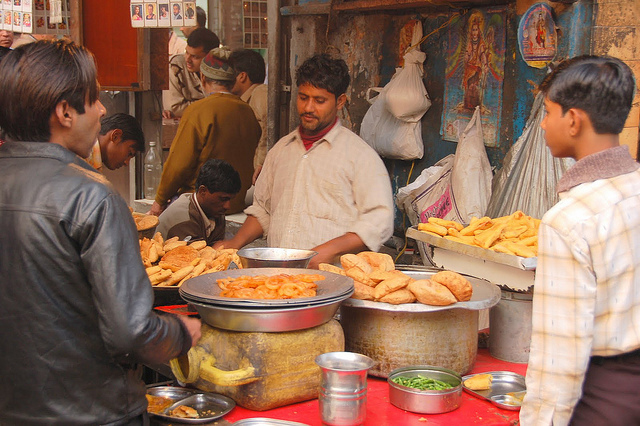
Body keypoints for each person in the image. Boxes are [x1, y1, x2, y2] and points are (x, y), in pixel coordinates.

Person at [0, 39, 201, 425]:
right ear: (64, 112)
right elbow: (131, 332)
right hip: (90, 411)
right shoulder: (91, 197)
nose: (103, 109)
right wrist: (179, 332)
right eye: (94, 99)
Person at [520, 56, 638, 426]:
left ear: (573, 120)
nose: (542, 123)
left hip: (604, 397)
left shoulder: (569, 221)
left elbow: (560, 357)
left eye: (548, 112)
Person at [216, 54, 394, 269]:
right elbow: (263, 209)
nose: (308, 108)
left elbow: (378, 220)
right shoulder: (281, 151)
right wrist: (235, 243)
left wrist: (329, 249)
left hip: (333, 280)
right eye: (303, 97)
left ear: (339, 101)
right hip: (279, 276)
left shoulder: (360, 156)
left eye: (319, 100)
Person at [151, 47, 261, 217]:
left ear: (203, 78)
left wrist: (159, 201)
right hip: (235, 203)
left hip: (201, 205)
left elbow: (178, 165)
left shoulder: (198, 111)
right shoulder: (247, 112)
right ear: (233, 81)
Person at [157, 159, 241, 244]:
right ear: (203, 191)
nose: (227, 206)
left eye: (230, 199)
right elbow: (193, 255)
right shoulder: (184, 217)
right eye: (223, 199)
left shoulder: (215, 212)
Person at [230, 48, 268, 184]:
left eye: (229, 74)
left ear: (242, 76)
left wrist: (261, 164)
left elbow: (267, 129)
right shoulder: (242, 100)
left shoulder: (260, 93)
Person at [163, 28, 219, 118]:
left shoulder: (220, 70)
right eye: (187, 53)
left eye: (195, 57)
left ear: (210, 57)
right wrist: (212, 104)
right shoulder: (174, 66)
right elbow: (174, 109)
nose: (187, 59)